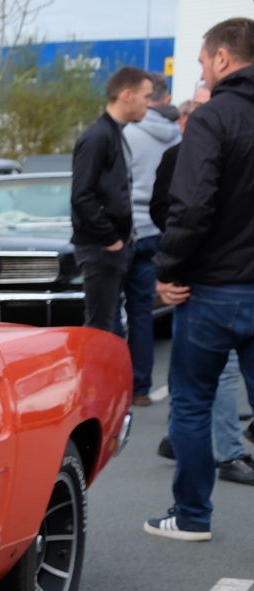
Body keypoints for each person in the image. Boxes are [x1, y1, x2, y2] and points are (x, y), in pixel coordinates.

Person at [148, 19, 254, 542]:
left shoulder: (213, 118)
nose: (203, 69)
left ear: (222, 59)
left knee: (191, 403)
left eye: (202, 61)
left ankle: (192, 516)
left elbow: (190, 207)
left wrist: (168, 271)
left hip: (211, 289)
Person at [72, 65, 154, 335]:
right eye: (146, 96)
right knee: (100, 328)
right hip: (100, 248)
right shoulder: (98, 137)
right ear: (127, 95)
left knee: (109, 325)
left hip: (112, 246)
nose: (149, 103)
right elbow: (82, 195)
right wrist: (111, 239)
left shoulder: (114, 133)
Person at [123, 74, 179, 402]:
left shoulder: (128, 133)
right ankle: (141, 387)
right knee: (143, 311)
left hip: (129, 228)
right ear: (165, 98)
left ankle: (117, 386)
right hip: (159, 227)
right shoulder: (175, 136)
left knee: (114, 313)